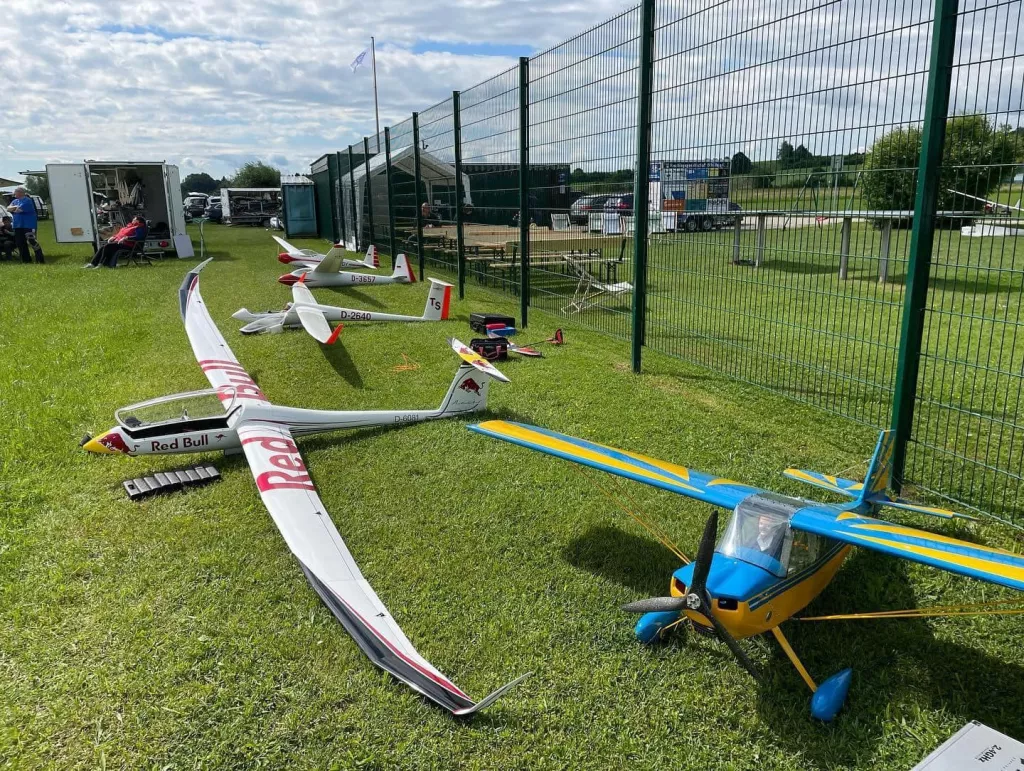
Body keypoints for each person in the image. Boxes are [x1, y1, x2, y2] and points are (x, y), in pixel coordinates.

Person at [7, 187, 41, 264]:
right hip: (18, 226)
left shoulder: (27, 200)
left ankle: (40, 259)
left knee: (32, 241)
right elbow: (8, 209)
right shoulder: (15, 201)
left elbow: (19, 209)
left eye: (15, 192)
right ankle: (26, 260)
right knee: (20, 243)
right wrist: (13, 208)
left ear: (20, 193)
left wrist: (13, 208)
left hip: (28, 225)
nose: (14, 194)